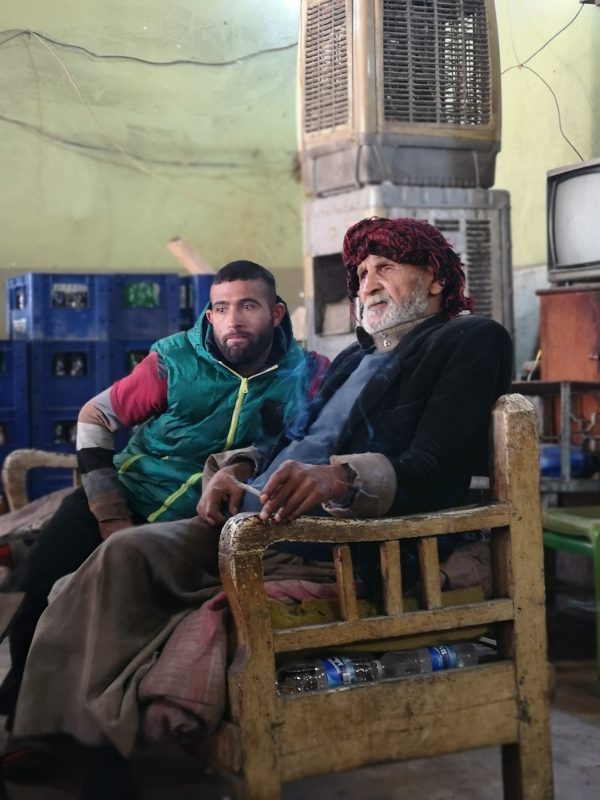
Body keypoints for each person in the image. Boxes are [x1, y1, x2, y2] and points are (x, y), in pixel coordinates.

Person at [9, 217, 512, 795]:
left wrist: (339, 480)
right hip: (254, 516)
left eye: (387, 268)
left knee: (127, 572)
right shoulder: (353, 357)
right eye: (363, 272)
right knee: (120, 553)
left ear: (437, 281)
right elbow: (288, 438)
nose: (368, 283)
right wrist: (239, 469)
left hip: (335, 537)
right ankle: (78, 750)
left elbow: (439, 467)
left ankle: (102, 766)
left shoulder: (469, 339)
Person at [0, 259, 326, 730]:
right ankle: (23, 715)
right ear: (209, 314)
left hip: (198, 522)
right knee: (36, 593)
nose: (232, 319)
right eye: (220, 308)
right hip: (128, 495)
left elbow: (304, 442)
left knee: (127, 623)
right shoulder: (174, 360)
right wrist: (109, 513)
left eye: (248, 306)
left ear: (276, 314)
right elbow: (94, 418)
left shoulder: (305, 373)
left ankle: (102, 729)